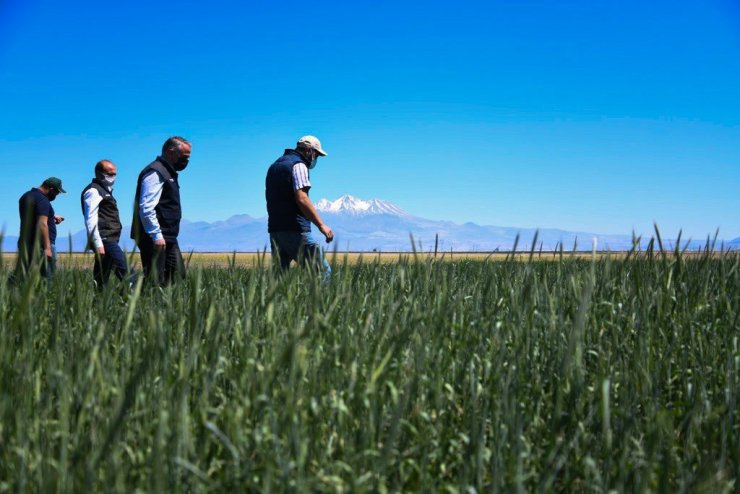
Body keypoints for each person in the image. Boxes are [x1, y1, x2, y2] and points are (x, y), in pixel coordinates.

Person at [265, 135, 334, 282]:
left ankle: (275, 305)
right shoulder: (299, 165)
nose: (316, 159)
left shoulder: (275, 166)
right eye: (316, 154)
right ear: (309, 150)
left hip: (275, 230)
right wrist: (321, 225)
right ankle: (318, 304)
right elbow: (302, 198)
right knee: (322, 271)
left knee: (279, 277)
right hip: (295, 230)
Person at [131, 136, 191, 286]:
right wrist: (156, 234)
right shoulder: (155, 172)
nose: (186, 161)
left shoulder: (168, 173)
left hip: (168, 236)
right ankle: (142, 305)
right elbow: (146, 207)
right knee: (155, 280)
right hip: (154, 236)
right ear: (171, 152)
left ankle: (167, 308)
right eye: (184, 157)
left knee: (177, 275)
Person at [81, 160, 134, 288]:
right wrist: (98, 244)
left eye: (115, 174)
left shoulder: (104, 190)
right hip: (105, 239)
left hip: (111, 238)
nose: (113, 177)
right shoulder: (93, 191)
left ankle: (98, 303)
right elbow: (90, 219)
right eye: (109, 174)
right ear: (99, 174)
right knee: (127, 273)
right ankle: (138, 297)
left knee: (101, 276)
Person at [14, 177, 66, 281]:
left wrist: (52, 217)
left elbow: (34, 215)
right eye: (57, 193)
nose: (56, 196)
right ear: (51, 189)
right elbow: (42, 223)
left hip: (26, 243)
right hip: (41, 246)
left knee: (23, 279)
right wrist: (47, 248)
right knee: (47, 280)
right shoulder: (43, 200)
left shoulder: (26, 196)